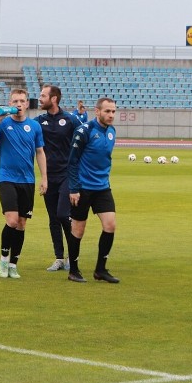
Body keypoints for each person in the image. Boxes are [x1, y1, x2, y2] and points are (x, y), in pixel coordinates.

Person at [0, 89, 48, 279]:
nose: (19, 104)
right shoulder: (4, 123)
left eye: (22, 101)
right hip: (7, 178)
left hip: (27, 180)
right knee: (11, 220)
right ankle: (3, 259)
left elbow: (40, 152)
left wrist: (44, 178)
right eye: (15, 101)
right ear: (10, 103)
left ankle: (13, 264)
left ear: (27, 104)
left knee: (21, 224)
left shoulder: (34, 126)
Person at [67, 97, 119, 284]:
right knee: (78, 230)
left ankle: (100, 270)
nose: (111, 115)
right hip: (82, 188)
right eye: (107, 111)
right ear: (97, 112)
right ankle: (73, 270)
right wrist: (73, 188)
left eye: (113, 111)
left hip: (102, 187)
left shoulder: (112, 132)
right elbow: (72, 161)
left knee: (110, 225)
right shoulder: (84, 131)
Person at [37, 85, 82, 271]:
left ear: (54, 99)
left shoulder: (71, 120)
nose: (39, 99)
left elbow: (84, 138)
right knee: (53, 218)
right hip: (48, 176)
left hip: (66, 175)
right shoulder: (39, 121)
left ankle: (73, 255)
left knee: (63, 214)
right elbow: (17, 128)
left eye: (43, 95)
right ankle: (59, 258)